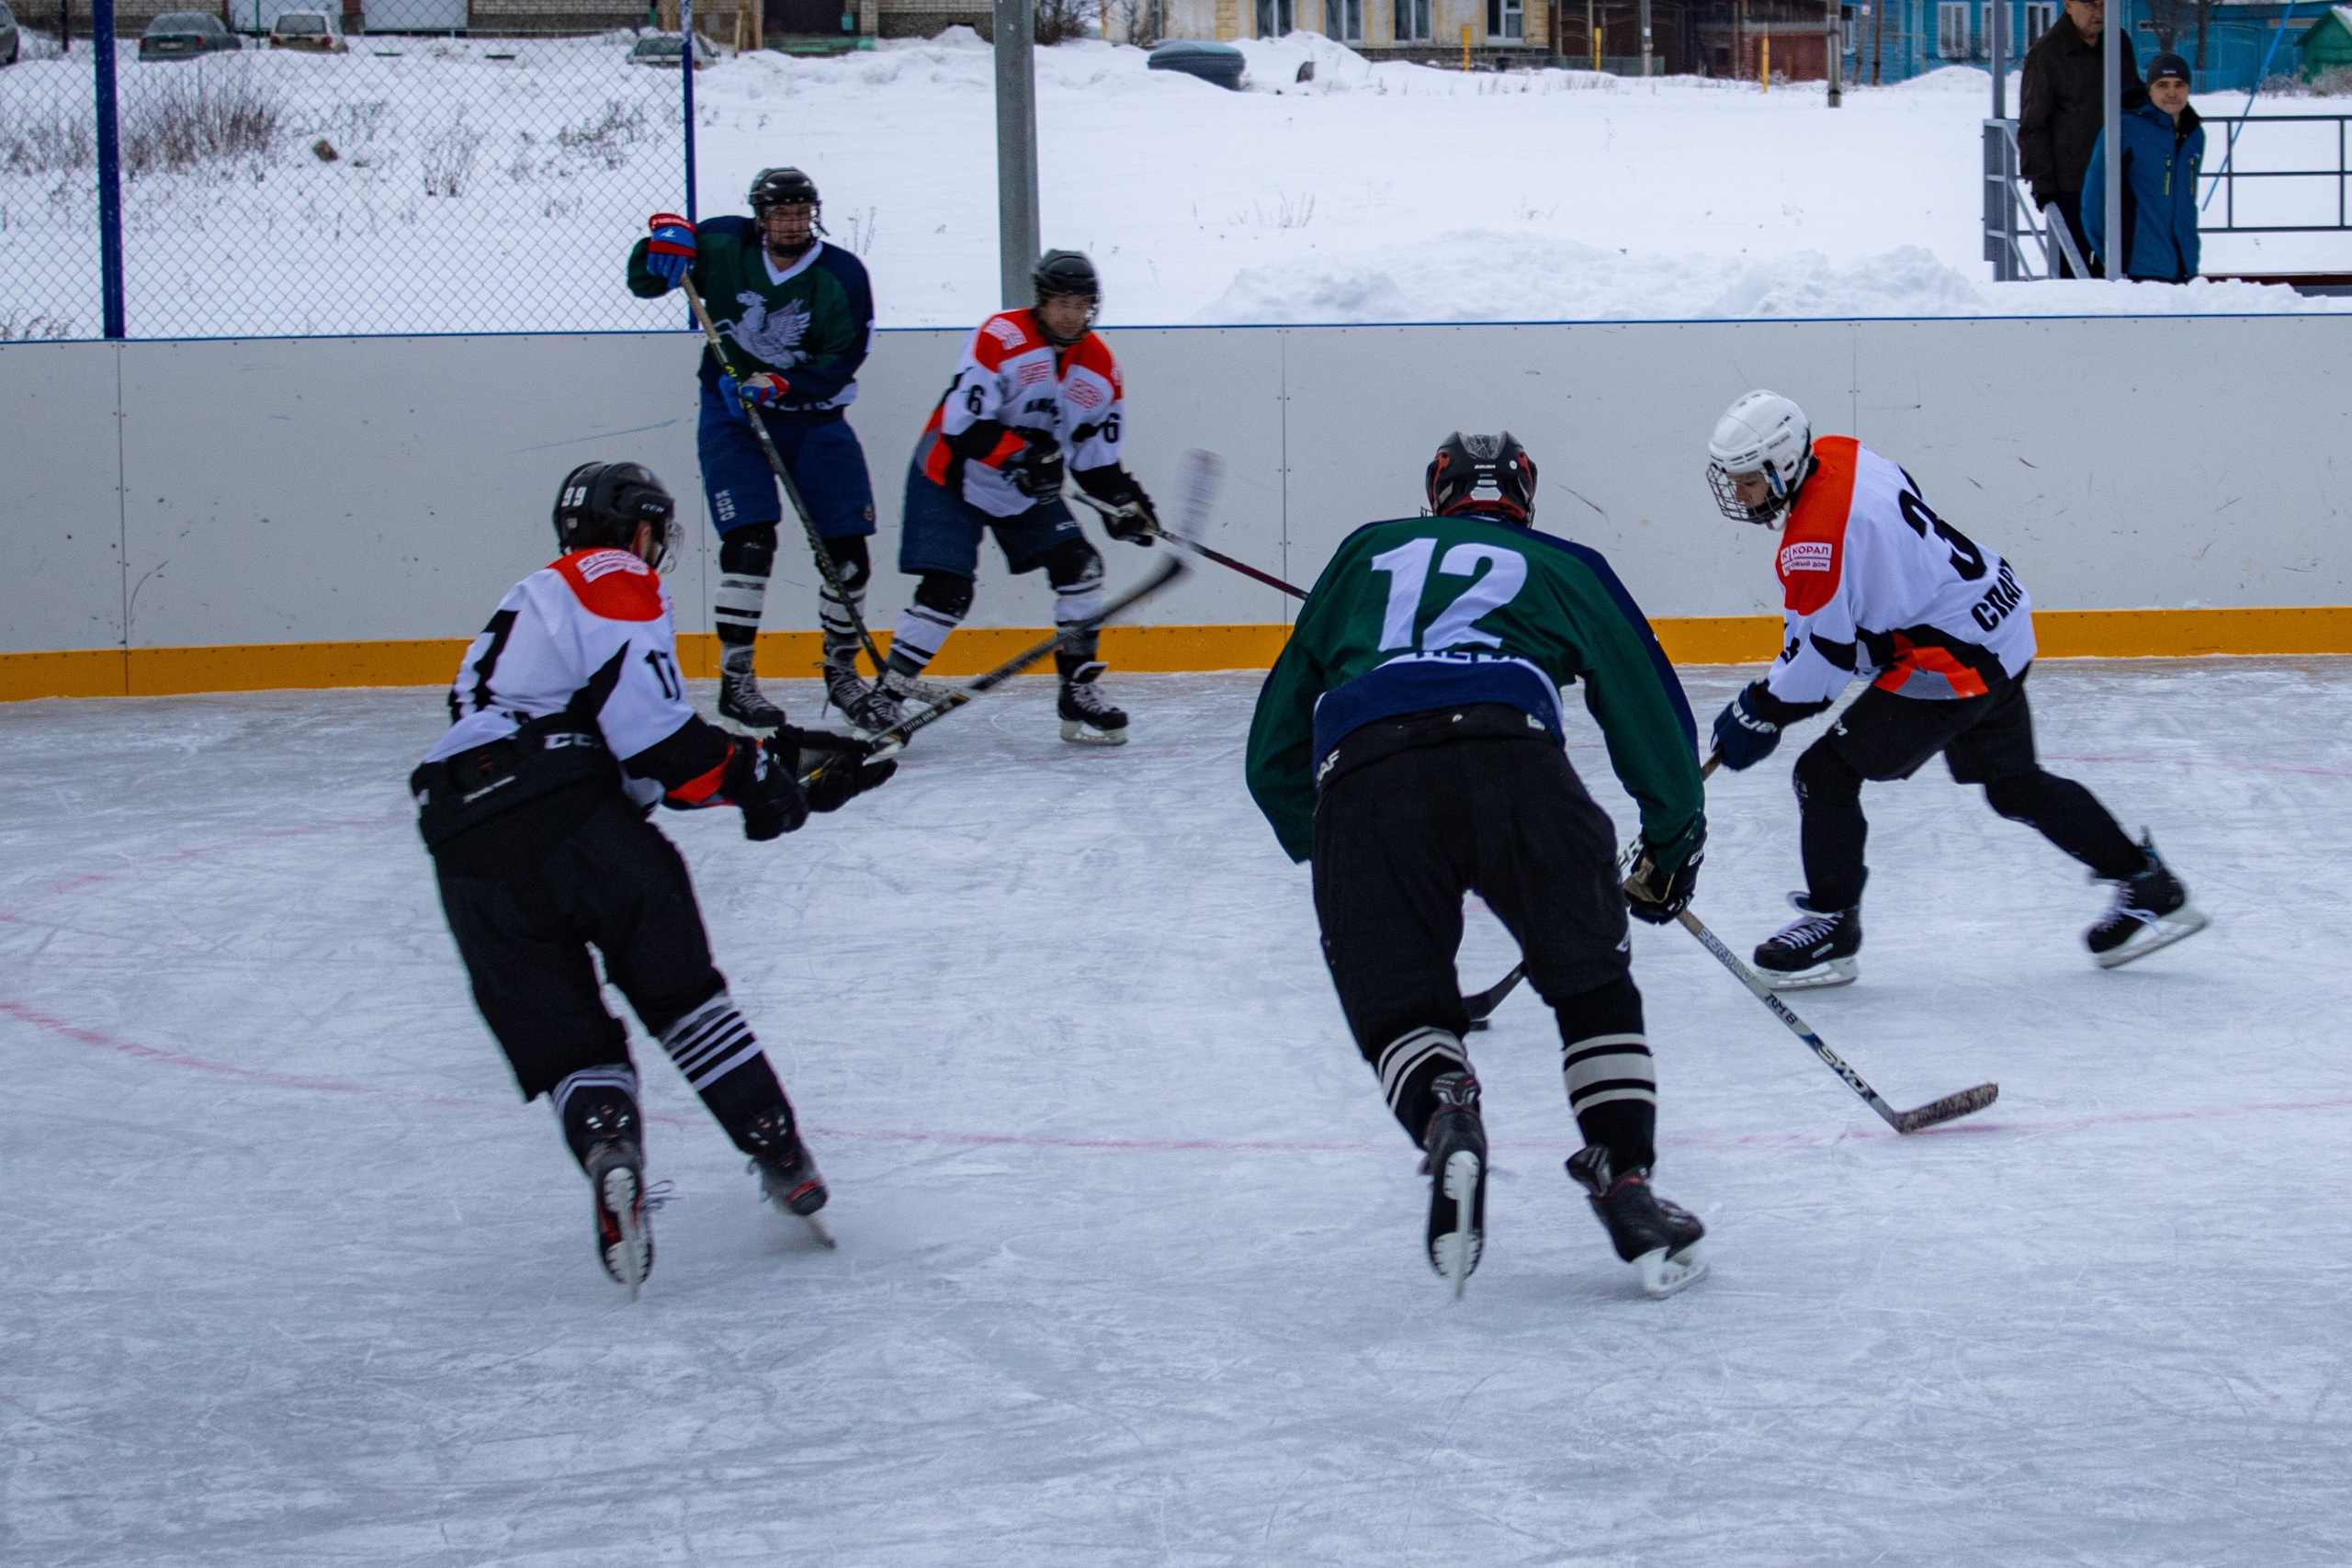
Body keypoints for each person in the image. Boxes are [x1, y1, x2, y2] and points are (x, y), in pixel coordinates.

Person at [412, 461, 897, 1294]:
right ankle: (779, 1149)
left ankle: (609, 1146)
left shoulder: (530, 612)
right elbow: (657, 743)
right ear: (637, 526)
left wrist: (783, 768)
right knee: (682, 998)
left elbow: (635, 765)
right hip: (566, 808)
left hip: (466, 837)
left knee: (569, 1040)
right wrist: (760, 784)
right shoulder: (610, 573)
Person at [1245, 433, 1710, 1300]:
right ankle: (1628, 1183)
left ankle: (1446, 1106)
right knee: (1589, 983)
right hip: (1516, 763)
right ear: (1525, 501)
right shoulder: (1568, 564)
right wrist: (1672, 840)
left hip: (1369, 774)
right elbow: (1643, 696)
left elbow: (1273, 746)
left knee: (1398, 1004)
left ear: (1436, 494)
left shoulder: (1364, 551)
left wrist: (1329, 844)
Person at [1702, 390, 2205, 989]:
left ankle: (1834, 924)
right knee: (2013, 785)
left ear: (1784, 466)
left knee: (1824, 774)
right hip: (1997, 614)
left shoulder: (1814, 542)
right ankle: (2148, 882)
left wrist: (1760, 709)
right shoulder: (1840, 453)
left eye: (1747, 481)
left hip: (1957, 660)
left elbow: (1821, 669)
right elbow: (1865, 593)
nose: (1739, 495)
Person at [628, 168, 893, 735]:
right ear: (760, 216)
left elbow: (844, 359)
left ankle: (843, 675)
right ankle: (736, 679)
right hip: (733, 417)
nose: (792, 224)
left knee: (847, 554)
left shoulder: (842, 274)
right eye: (780, 214)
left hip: (815, 421)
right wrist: (659, 246)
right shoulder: (722, 241)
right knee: (750, 543)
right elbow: (648, 280)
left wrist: (784, 384)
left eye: (801, 213)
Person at [870, 249, 1159, 745]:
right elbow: (962, 426)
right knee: (948, 590)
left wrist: (1125, 505)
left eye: (1081, 304)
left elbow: (1094, 460)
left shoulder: (1101, 368)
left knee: (1080, 567)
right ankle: (886, 695)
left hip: (1022, 486)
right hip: (952, 475)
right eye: (1059, 302)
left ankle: (1077, 688)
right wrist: (1023, 456)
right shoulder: (1000, 336)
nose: (1070, 314)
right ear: (1041, 301)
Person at [2018, 0, 2144, 277]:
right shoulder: (2047, 54)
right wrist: (2043, 184)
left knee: (2121, 270)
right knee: (2073, 273)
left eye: (2104, 4)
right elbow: (2033, 124)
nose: (2099, 12)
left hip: (2119, 179)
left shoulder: (2118, 41)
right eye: (2090, 4)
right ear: (2068, 5)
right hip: (2072, 184)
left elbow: (2135, 97)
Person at [2084, 52, 2205, 283]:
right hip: (2135, 267)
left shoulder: (2194, 134)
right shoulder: (2124, 128)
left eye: (2180, 85)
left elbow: (2186, 202)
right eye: (2163, 85)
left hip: (2183, 266)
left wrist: (2190, 256)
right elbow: (2094, 196)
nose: (2172, 93)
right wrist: (2107, 253)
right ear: (2149, 89)